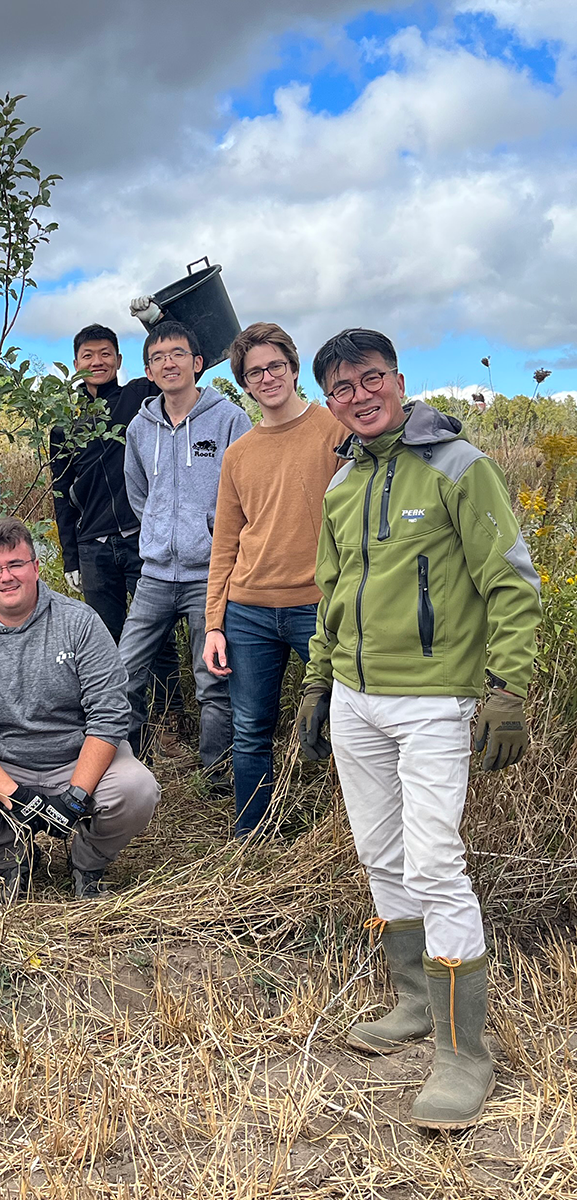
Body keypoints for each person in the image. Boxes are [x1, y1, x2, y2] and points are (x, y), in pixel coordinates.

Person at [297, 327, 541, 1131]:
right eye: (342, 388)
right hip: (356, 702)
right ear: (330, 401)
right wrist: (316, 685)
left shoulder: (459, 470)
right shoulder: (341, 486)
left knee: (437, 862)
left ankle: (466, 1051)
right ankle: (412, 1002)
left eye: (371, 379)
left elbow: (508, 581)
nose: (359, 396)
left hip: (434, 699)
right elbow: (334, 597)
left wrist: (508, 688)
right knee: (381, 852)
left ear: (397, 381)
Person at [0, 517, 159, 903]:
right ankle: (12, 855)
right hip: (5, 764)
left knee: (138, 788)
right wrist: (14, 794)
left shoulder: (80, 623)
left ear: (35, 567)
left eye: (15, 564)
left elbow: (110, 714)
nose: (6, 577)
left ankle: (87, 861)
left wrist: (77, 794)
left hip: (76, 759)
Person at [202, 323, 345, 836]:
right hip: (248, 611)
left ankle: (349, 836)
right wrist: (214, 622)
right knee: (250, 729)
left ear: (292, 366)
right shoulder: (238, 454)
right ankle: (251, 839)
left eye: (275, 366)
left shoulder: (334, 430)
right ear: (243, 382)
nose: (267, 378)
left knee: (349, 723)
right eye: (254, 372)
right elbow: (225, 543)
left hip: (319, 607)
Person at [118, 320, 250, 785]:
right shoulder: (140, 427)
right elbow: (139, 493)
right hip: (154, 574)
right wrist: (157, 529)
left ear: (197, 363)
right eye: (157, 358)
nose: (168, 363)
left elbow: (246, 492)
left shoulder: (229, 419)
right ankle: (125, 772)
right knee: (124, 671)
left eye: (177, 354)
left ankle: (217, 776)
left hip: (209, 575)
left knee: (212, 679)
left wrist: (210, 533)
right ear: (149, 372)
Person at [48, 323, 187, 752]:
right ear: (75, 364)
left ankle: (171, 722)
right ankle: (125, 731)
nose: (97, 362)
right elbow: (60, 494)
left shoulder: (138, 398)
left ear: (120, 360)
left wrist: (155, 318)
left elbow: (173, 359)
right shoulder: (63, 423)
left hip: (141, 538)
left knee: (157, 635)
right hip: (93, 546)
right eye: (88, 355)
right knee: (107, 640)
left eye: (105, 353)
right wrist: (70, 557)